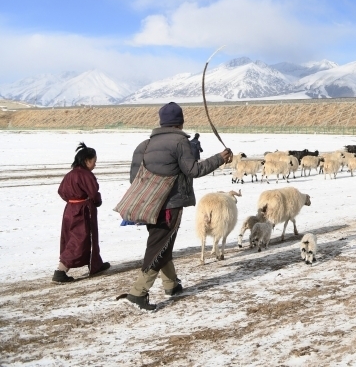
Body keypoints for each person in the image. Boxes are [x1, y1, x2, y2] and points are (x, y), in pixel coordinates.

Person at [121, 102, 231, 310]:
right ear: (180, 122)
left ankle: (171, 285)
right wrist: (219, 158)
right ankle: (138, 293)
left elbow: (134, 179)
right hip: (169, 206)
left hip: (147, 205)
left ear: (162, 122)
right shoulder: (180, 142)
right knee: (158, 246)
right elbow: (194, 170)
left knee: (163, 242)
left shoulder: (143, 145)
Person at [54, 142, 109, 283]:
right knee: (79, 240)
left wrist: (73, 201)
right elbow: (93, 193)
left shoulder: (70, 174)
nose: (95, 164)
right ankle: (60, 271)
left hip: (70, 210)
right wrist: (95, 201)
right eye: (94, 161)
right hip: (82, 212)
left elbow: (61, 191)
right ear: (86, 161)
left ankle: (96, 264)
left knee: (78, 238)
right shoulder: (85, 175)